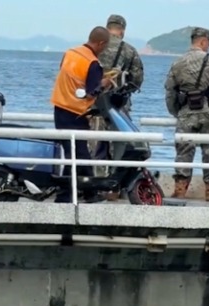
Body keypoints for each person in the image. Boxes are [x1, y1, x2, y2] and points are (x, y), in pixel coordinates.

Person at [164, 27, 209, 202]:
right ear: (203, 41)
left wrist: (176, 112)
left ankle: (180, 190)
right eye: (208, 43)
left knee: (183, 150)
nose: (208, 47)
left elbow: (170, 92)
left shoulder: (177, 62)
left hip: (185, 112)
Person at [50, 26, 113, 203]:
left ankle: (80, 193)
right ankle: (73, 195)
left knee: (74, 154)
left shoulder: (70, 53)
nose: (104, 50)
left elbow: (70, 77)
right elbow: (92, 92)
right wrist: (105, 83)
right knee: (80, 155)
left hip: (59, 108)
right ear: (101, 43)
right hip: (76, 112)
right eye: (105, 46)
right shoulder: (93, 63)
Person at [90, 14, 145, 183]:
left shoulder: (92, 47)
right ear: (122, 30)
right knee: (119, 144)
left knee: (95, 144)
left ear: (107, 28)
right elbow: (137, 80)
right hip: (118, 106)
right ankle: (114, 183)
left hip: (93, 104)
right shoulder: (129, 50)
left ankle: (96, 181)